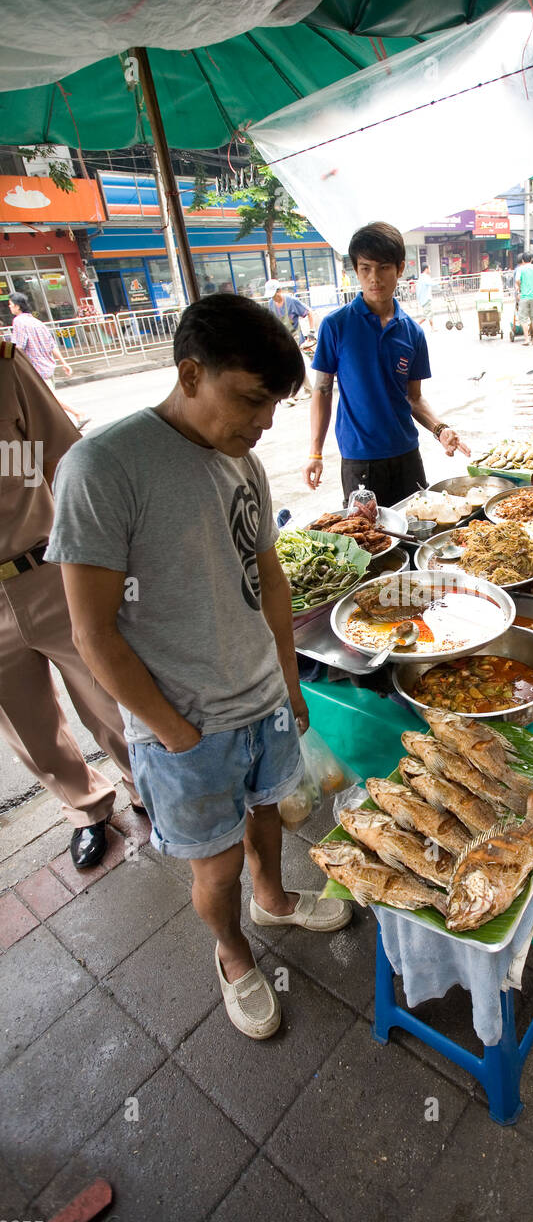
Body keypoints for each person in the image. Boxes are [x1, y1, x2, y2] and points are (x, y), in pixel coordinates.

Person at [46, 295, 351, 1042]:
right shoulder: (102, 467)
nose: (264, 424)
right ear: (190, 373)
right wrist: (174, 733)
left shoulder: (240, 459)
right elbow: (91, 633)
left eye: (276, 405)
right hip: (183, 725)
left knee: (272, 819)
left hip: (264, 700)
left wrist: (288, 678)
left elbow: (269, 577)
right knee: (212, 870)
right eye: (251, 400)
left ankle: (274, 898)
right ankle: (233, 953)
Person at [0, 342, 145, 869]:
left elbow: (63, 457)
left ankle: (144, 784)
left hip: (48, 569)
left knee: (110, 694)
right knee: (27, 726)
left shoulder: (4, 366)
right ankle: (86, 809)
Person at [305, 221, 468, 507]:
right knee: (368, 539)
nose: (374, 278)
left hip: (407, 454)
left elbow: (414, 397)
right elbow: (322, 391)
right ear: (356, 270)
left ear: (400, 268)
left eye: (383, 268)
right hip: (360, 458)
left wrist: (441, 429)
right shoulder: (336, 325)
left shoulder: (412, 333)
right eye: (365, 268)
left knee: (417, 529)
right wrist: (315, 453)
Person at [8, 292, 87, 427]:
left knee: (49, 398)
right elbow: (52, 345)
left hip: (35, 368)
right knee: (43, 401)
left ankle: (78, 414)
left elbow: (18, 346)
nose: (9, 307)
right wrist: (64, 363)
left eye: (10, 304)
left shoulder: (19, 322)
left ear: (17, 306)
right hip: (47, 366)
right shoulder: (37, 322)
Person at [266, 278, 315, 402]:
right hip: (282, 339)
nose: (273, 297)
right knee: (290, 366)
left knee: (295, 364)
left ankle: (297, 393)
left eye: (274, 294)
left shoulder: (291, 301)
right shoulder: (271, 304)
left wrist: (312, 330)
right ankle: (299, 392)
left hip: (295, 338)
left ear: (279, 291)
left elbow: (309, 312)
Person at [515, 250, 533, 345]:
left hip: (524, 297)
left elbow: (517, 280)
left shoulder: (520, 269)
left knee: (523, 318)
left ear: (522, 260)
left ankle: (526, 339)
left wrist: (519, 288)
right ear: (532, 259)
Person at [415, 263, 435, 331]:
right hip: (426, 299)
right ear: (426, 269)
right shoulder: (425, 277)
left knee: (429, 314)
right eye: (429, 268)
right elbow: (431, 283)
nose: (430, 270)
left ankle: (433, 328)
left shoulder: (422, 277)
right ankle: (414, 326)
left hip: (424, 299)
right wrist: (441, 283)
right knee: (426, 315)